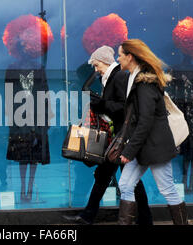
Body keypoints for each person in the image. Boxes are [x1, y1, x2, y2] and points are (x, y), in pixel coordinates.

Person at [63, 46, 153, 225]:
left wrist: (101, 104)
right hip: (116, 138)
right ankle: (89, 215)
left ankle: (144, 219)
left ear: (104, 61)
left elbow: (125, 107)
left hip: (121, 138)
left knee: (127, 181)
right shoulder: (111, 77)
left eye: (96, 65)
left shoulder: (118, 76)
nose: (95, 69)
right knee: (105, 177)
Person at [116, 39, 188, 225]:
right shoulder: (135, 79)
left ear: (130, 57)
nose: (118, 58)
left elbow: (145, 121)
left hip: (155, 147)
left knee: (167, 189)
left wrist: (129, 150)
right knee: (125, 185)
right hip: (143, 146)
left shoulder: (144, 84)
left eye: (120, 55)